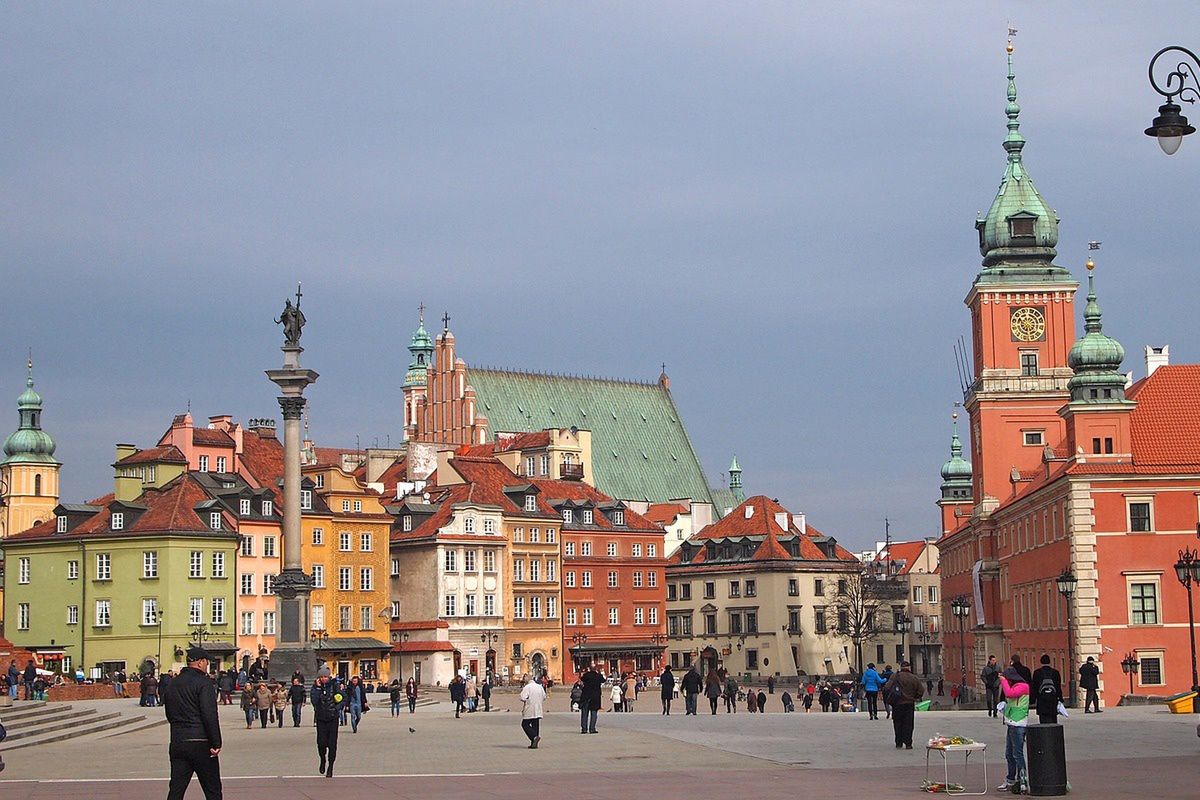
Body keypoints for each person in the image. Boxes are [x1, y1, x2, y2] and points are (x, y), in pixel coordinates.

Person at [163, 646, 222, 800]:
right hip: (201, 741)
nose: (207, 665)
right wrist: (216, 743)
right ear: (201, 662)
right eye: (206, 662)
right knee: (212, 790)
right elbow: (209, 714)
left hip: (178, 741)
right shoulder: (204, 683)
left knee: (176, 789)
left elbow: (169, 713)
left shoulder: (173, 683)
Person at [998, 664, 1030, 792]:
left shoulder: (1023, 686)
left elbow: (1010, 694)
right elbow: (1012, 704)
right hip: (1011, 723)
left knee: (1017, 754)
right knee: (1009, 754)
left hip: (1019, 724)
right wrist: (1004, 708)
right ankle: (1010, 779)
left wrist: (1003, 681)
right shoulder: (1014, 686)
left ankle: (1022, 779)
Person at [882, 660, 924, 750]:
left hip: (897, 704)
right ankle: (908, 743)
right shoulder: (914, 678)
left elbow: (887, 687)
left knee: (897, 723)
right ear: (909, 668)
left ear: (901, 667)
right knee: (908, 724)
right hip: (909, 704)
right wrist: (915, 696)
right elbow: (921, 690)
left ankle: (898, 742)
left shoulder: (895, 676)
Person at [311, 667, 342, 778]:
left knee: (332, 744)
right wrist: (318, 689)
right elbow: (314, 701)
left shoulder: (335, 686)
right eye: (321, 677)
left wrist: (337, 707)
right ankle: (323, 759)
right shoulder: (315, 688)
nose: (324, 679)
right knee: (321, 743)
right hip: (321, 719)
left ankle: (330, 766)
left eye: (325, 677)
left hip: (333, 718)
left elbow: (343, 697)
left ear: (329, 677)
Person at [1031, 654, 1064, 725]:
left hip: (1041, 700)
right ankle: (1053, 734)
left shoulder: (1037, 673)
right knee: (1053, 719)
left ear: (1041, 661)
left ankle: (1044, 734)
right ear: (1050, 661)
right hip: (1053, 699)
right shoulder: (1055, 672)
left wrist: (1033, 699)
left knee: (1043, 720)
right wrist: (1060, 698)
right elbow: (1058, 687)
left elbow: (1034, 687)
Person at [519, 673, 547, 749]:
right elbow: (544, 697)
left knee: (525, 724)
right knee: (535, 724)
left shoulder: (527, 687)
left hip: (529, 707)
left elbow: (523, 697)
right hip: (538, 708)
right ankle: (534, 743)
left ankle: (534, 737)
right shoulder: (539, 687)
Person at [579, 664, 603, 733]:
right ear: (595, 669)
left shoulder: (586, 675)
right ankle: (592, 728)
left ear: (589, 668)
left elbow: (582, 678)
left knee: (584, 713)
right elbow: (603, 680)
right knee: (594, 713)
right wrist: (599, 672)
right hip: (595, 697)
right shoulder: (598, 676)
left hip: (586, 696)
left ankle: (584, 729)